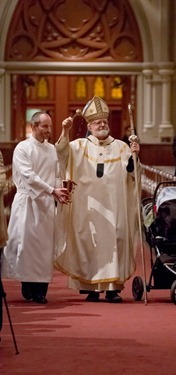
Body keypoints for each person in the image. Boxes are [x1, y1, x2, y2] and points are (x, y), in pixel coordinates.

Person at [54, 96, 140, 303]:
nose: (101, 124)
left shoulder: (121, 146)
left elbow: (131, 173)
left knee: (117, 239)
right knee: (89, 241)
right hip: (88, 205)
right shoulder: (79, 146)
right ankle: (91, 288)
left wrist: (135, 156)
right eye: (96, 122)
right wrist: (65, 130)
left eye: (104, 122)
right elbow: (61, 153)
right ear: (90, 127)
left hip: (115, 204)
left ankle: (112, 289)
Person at [1, 111, 70, 304]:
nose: (49, 130)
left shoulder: (51, 149)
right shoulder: (23, 148)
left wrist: (60, 190)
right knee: (26, 245)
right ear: (34, 127)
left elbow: (56, 173)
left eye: (50, 126)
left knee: (44, 248)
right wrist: (51, 190)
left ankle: (41, 290)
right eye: (44, 126)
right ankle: (27, 286)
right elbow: (28, 175)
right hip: (27, 203)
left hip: (47, 203)